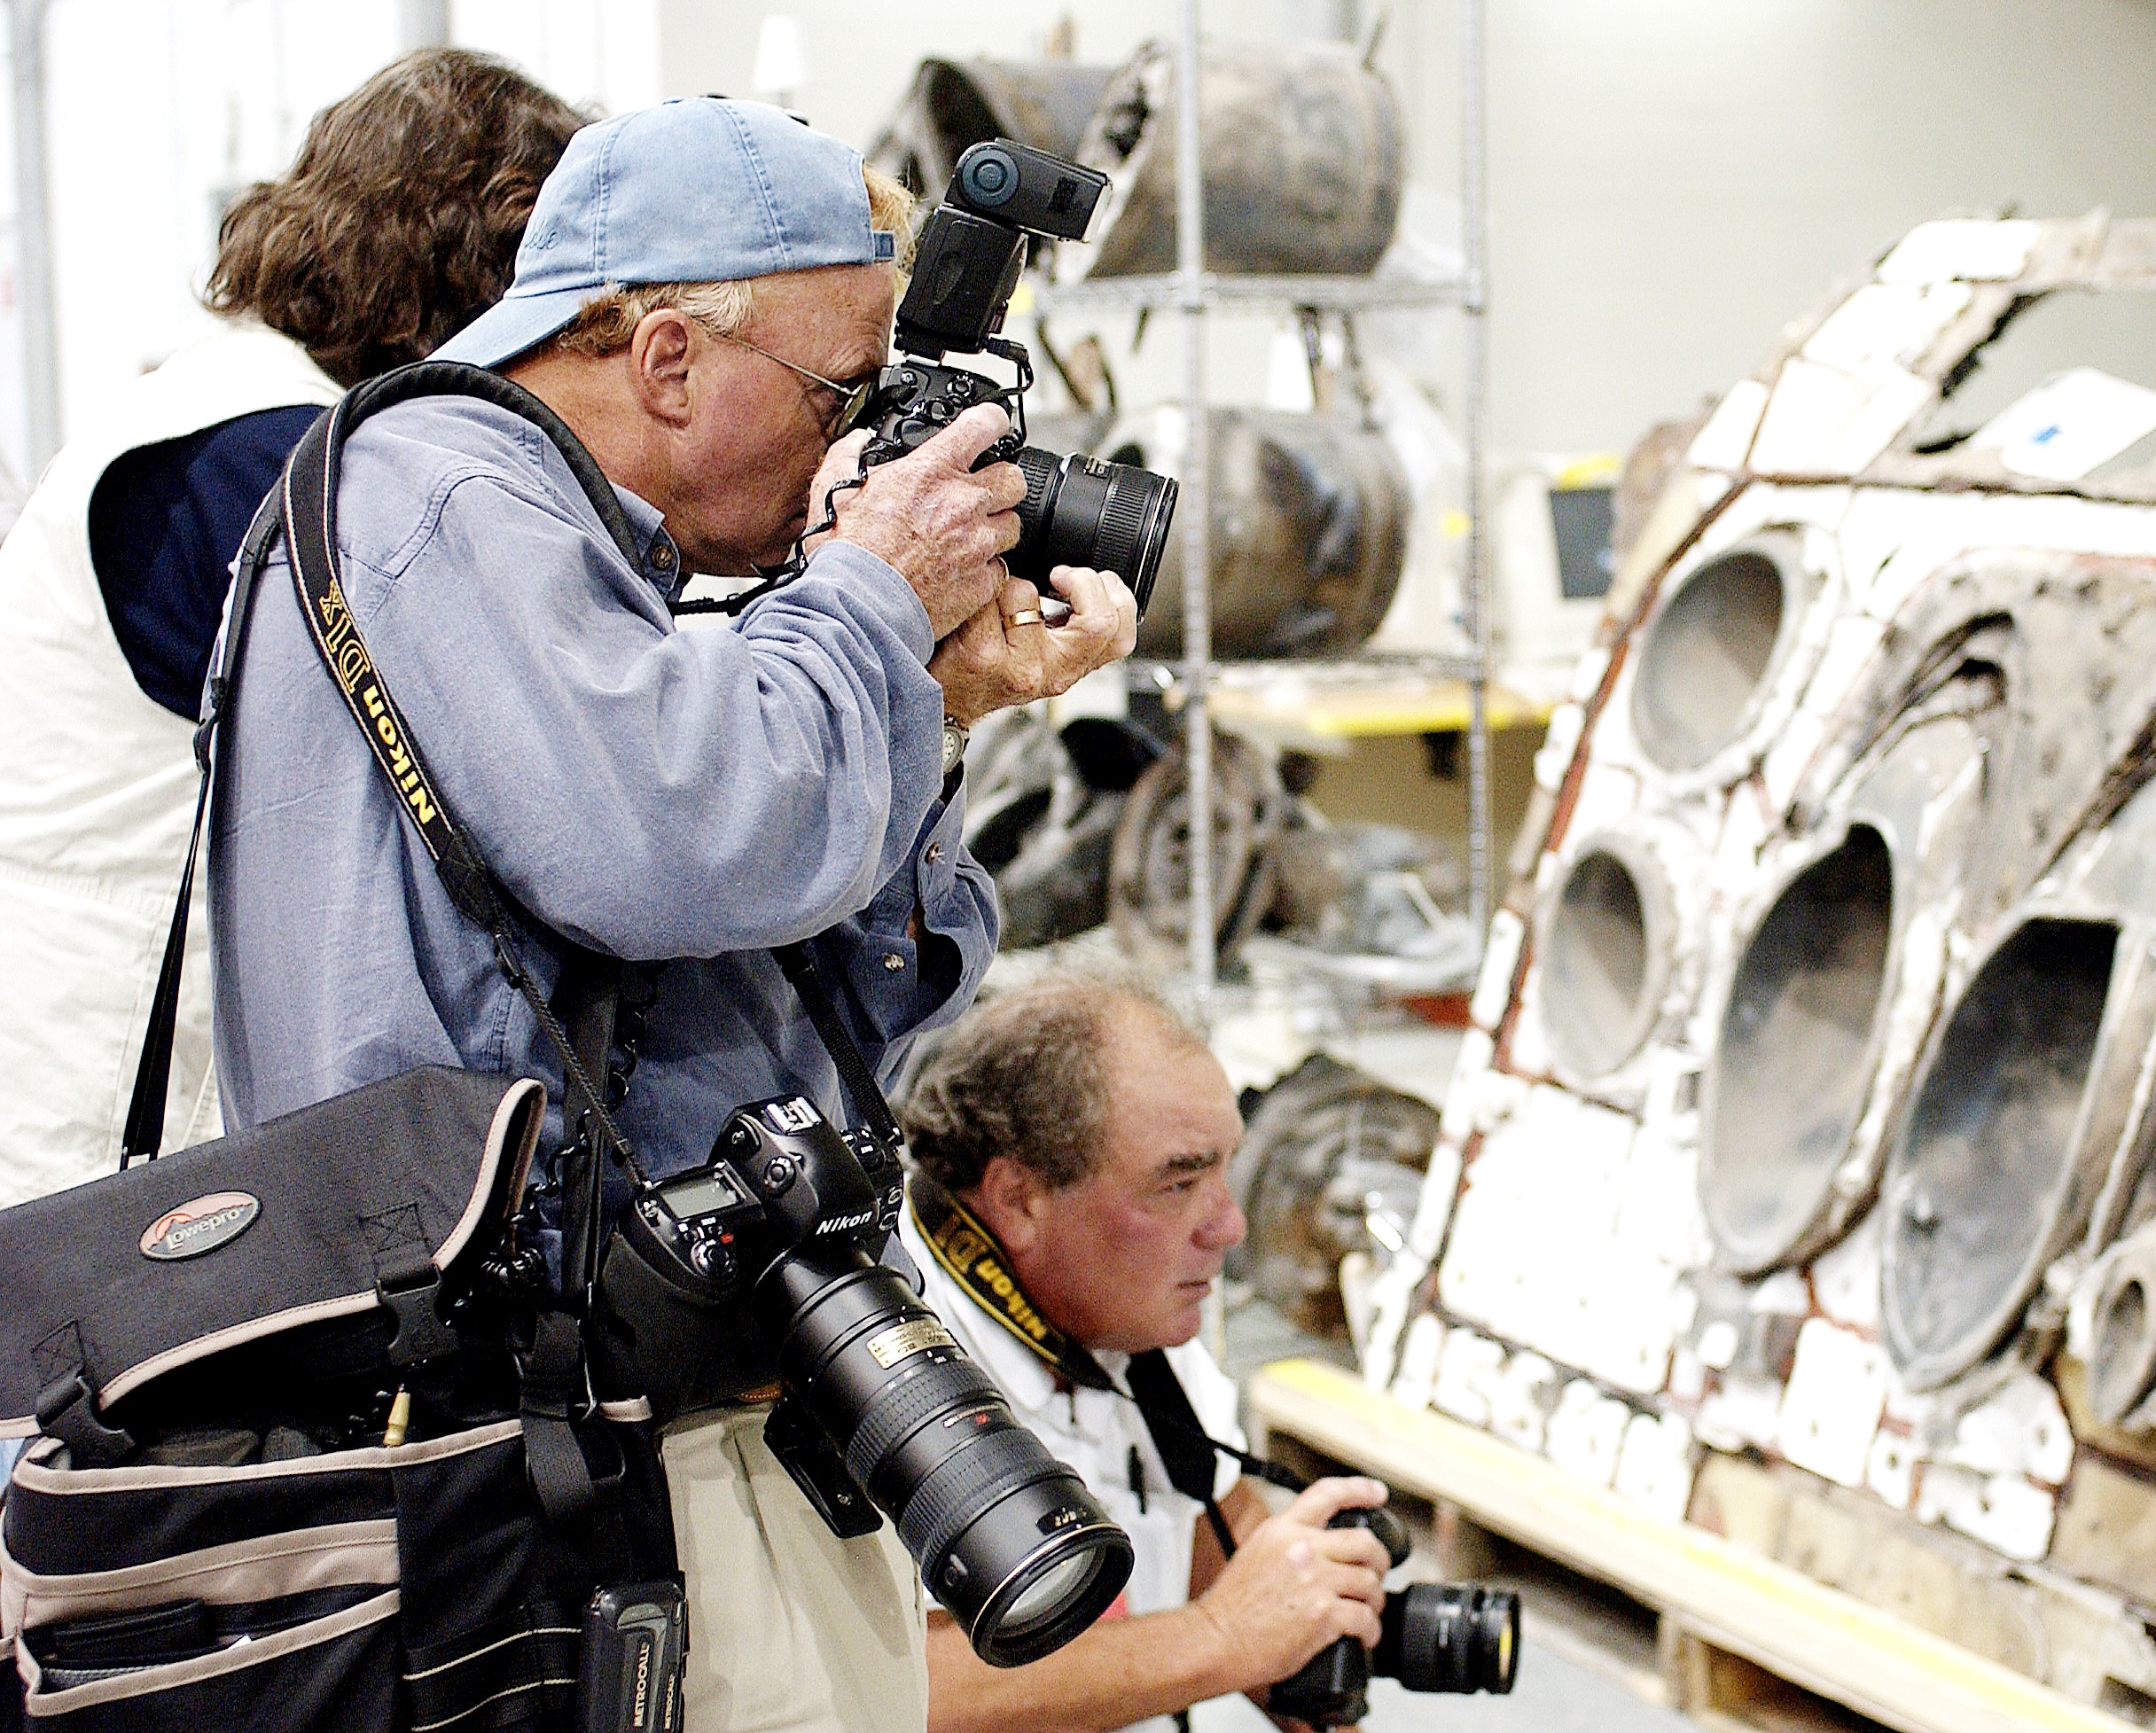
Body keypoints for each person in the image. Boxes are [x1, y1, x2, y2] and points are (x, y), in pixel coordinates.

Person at [206, 98, 1137, 1733]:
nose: (862, 447)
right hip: (555, 1442)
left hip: (686, 1409)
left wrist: (941, 701)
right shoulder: (440, 490)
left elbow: (832, 974)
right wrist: (870, 591)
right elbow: (690, 847)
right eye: (845, 391)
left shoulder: (591, 564)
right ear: (665, 359)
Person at [0, 48, 584, 1208]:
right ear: (477, 268)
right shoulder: (259, 462)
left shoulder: (254, 424)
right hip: (103, 1072)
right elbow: (504, 744)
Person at [898, 976, 1393, 1733]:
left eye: (1226, 1169)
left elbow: (1230, 1551)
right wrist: (1221, 1637)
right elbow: (909, 1687)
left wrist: (1309, 1621)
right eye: (1180, 1181)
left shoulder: (1128, 1318)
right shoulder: (879, 1356)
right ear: (1020, 1197)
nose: (1230, 1225)